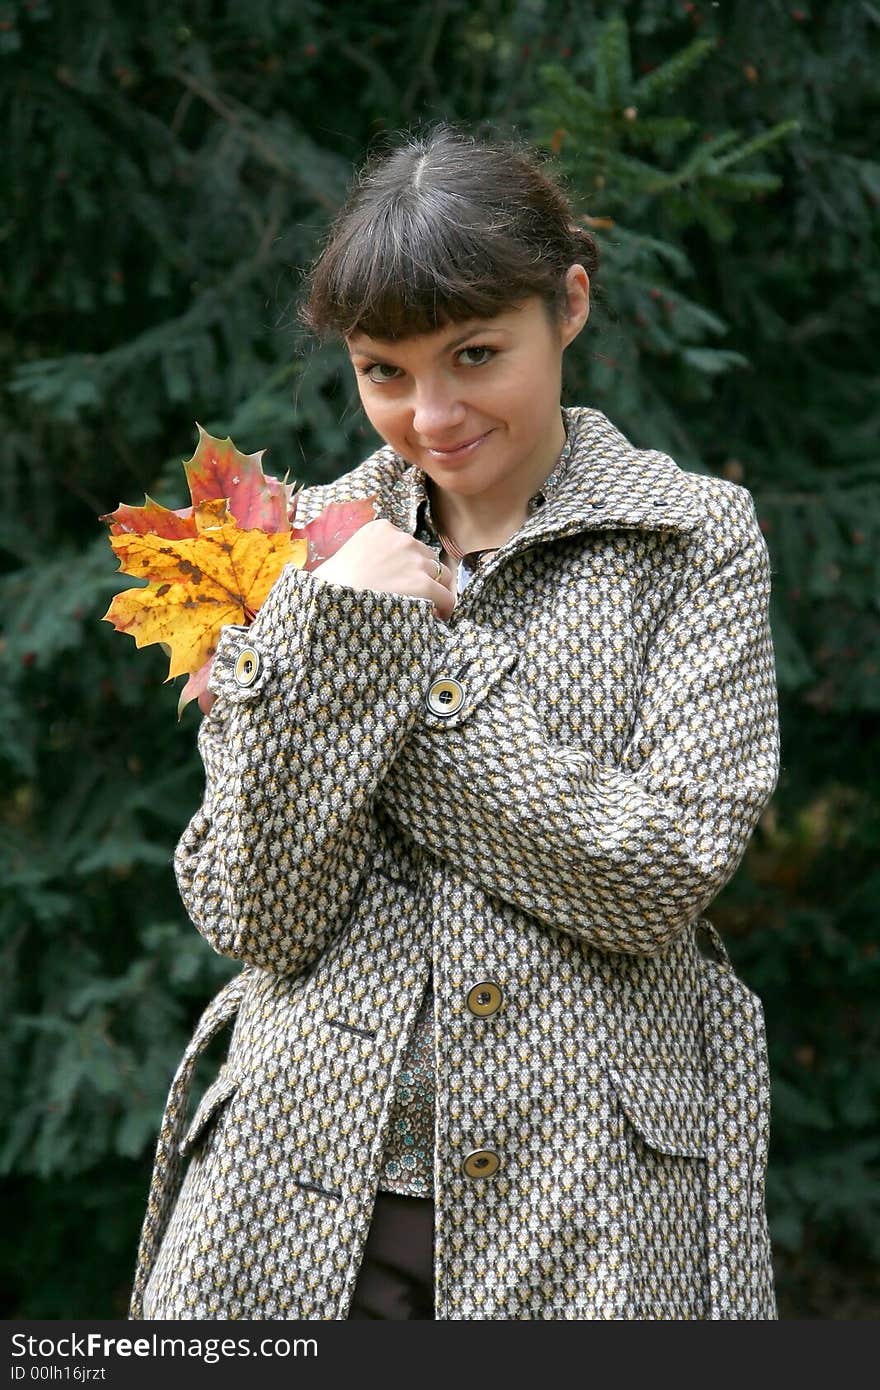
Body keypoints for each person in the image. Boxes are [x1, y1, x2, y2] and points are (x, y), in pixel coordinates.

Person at [128, 124, 780, 1321]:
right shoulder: (289, 552)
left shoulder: (694, 539)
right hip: (290, 1200)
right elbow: (255, 913)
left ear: (567, 305)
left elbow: (657, 873)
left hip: (590, 1214)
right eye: (383, 370)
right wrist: (332, 625)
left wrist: (386, 670)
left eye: (476, 354)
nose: (430, 414)